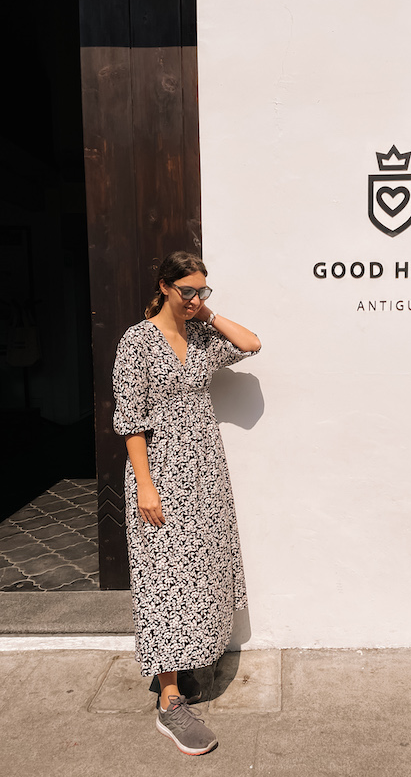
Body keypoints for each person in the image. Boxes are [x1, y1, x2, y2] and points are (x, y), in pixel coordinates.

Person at [112, 250, 261, 755]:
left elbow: (253, 343)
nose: (196, 298)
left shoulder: (202, 336)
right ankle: (169, 700)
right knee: (161, 579)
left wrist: (210, 315)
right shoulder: (137, 342)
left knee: (199, 571)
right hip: (161, 472)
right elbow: (130, 421)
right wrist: (145, 485)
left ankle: (192, 661)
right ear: (164, 287)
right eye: (188, 291)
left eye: (203, 290)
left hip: (205, 473)